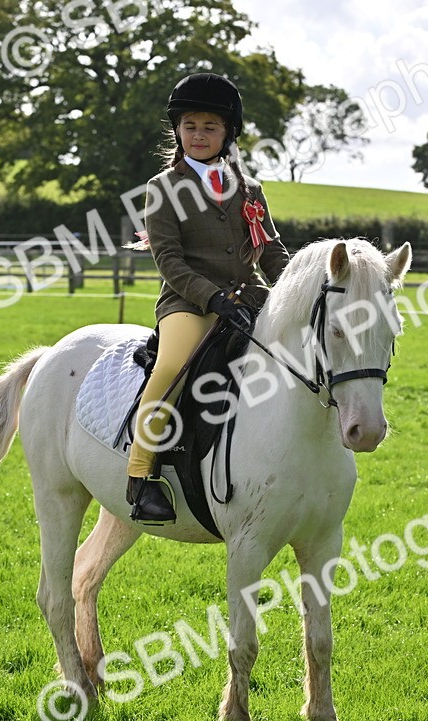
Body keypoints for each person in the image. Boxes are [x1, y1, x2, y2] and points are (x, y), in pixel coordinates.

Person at [127, 72, 289, 524]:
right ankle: (141, 477)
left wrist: (294, 288)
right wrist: (212, 298)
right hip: (188, 302)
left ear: (227, 134)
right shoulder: (163, 188)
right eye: (191, 126)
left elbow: (270, 250)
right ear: (178, 130)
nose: (199, 135)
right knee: (173, 368)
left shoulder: (250, 190)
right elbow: (169, 261)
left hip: (250, 298)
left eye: (210, 127)